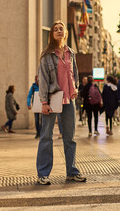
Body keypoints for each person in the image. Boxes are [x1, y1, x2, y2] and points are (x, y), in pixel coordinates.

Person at [36, 20, 86, 185]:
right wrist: (44, 102)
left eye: (61, 29)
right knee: (46, 137)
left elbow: (75, 74)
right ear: (51, 34)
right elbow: (43, 79)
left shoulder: (70, 53)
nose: (58, 31)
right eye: (55, 29)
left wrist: (75, 87)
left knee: (70, 137)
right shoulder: (46, 55)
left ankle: (71, 172)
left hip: (68, 100)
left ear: (65, 34)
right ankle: (43, 174)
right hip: (52, 99)